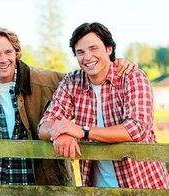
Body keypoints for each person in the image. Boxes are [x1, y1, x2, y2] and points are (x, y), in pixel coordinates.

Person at [0, 27, 134, 185]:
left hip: (42, 183)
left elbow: (86, 79)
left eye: (8, 52)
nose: (3, 59)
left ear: (16, 53)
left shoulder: (45, 80)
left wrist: (114, 64)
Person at [38, 22, 169, 189]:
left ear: (109, 49)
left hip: (143, 185)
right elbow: (44, 125)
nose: (87, 57)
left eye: (94, 49)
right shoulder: (72, 81)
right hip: (97, 188)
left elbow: (137, 128)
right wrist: (61, 133)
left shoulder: (131, 77)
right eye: (80, 52)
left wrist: (83, 131)